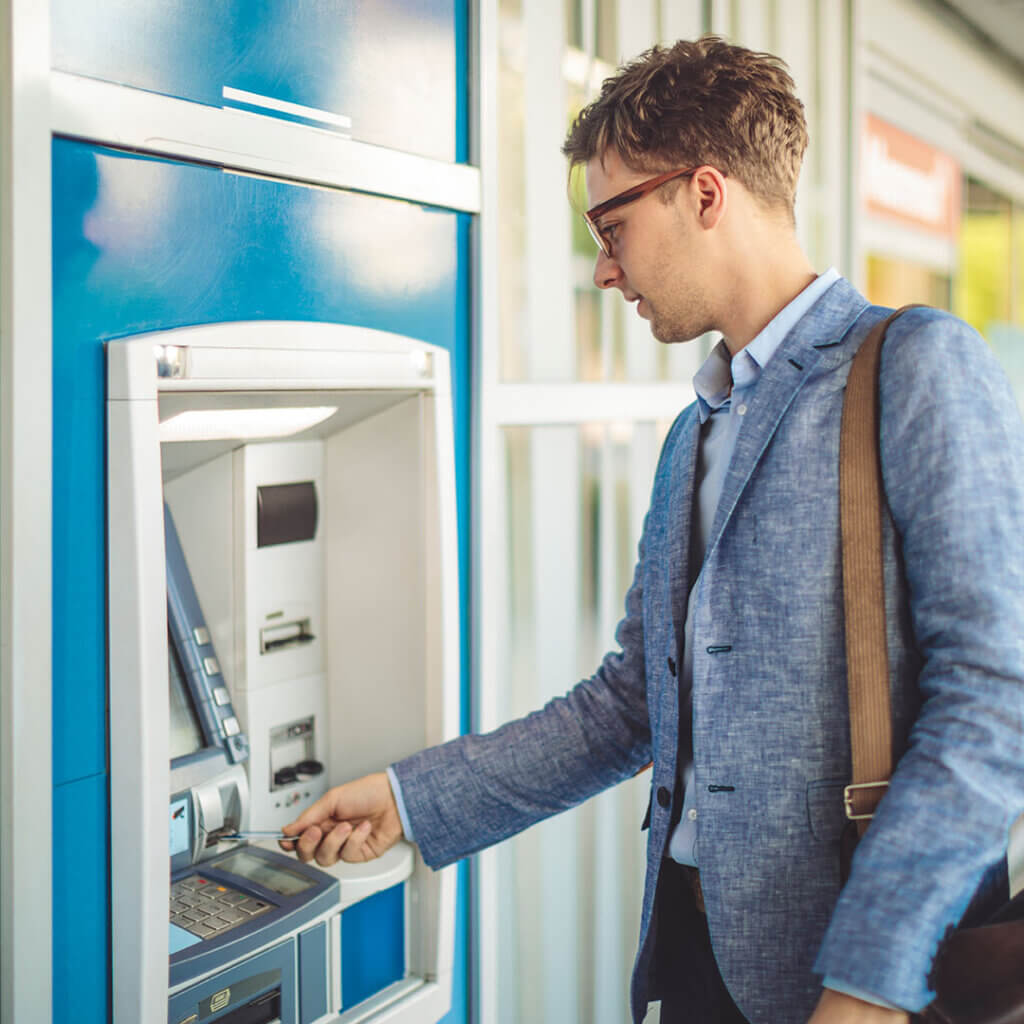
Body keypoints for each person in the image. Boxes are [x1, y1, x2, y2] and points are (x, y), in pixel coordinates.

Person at [281, 36, 1024, 1024]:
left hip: (857, 981)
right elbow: (628, 706)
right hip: (695, 957)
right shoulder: (695, 432)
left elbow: (994, 701)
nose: (602, 270)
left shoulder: (913, 364)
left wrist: (867, 983)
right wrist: (413, 800)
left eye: (612, 224)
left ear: (704, 193)